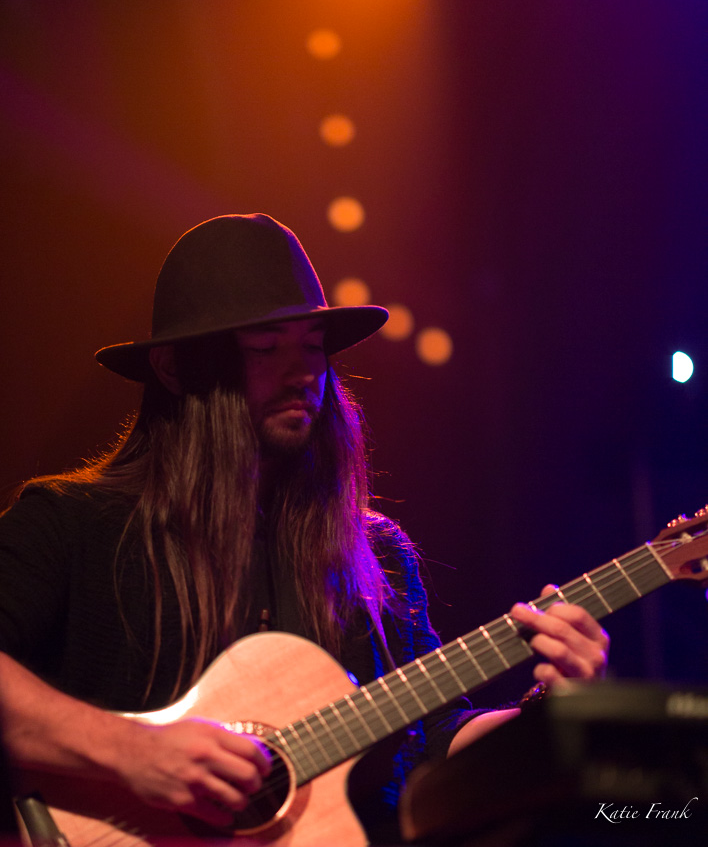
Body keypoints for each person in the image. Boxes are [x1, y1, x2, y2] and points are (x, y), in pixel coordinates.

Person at [0, 214, 609, 843]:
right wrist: (134, 751)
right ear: (176, 369)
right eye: (265, 349)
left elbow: (432, 742)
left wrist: (549, 715)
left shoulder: (374, 552)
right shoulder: (71, 523)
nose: (302, 374)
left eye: (313, 347)